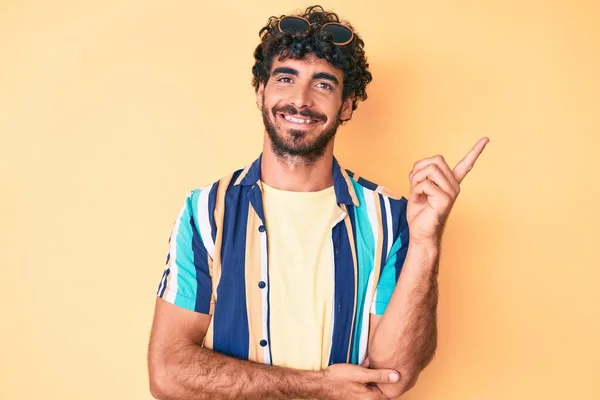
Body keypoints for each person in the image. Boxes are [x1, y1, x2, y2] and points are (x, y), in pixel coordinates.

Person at [148, 5, 488, 400]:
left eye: (323, 84)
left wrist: (427, 241)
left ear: (346, 106)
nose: (300, 100)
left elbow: (394, 375)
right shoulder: (207, 211)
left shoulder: (394, 218)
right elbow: (168, 373)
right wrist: (318, 388)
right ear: (261, 92)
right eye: (285, 78)